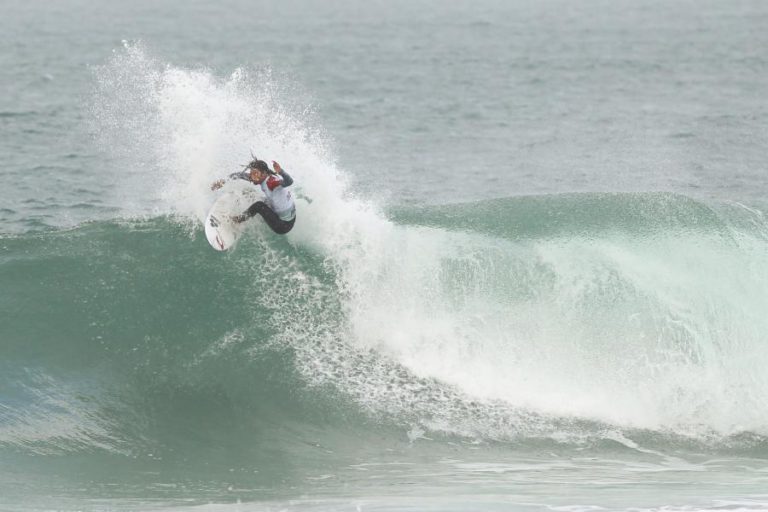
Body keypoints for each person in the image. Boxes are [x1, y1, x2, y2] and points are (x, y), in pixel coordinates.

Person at [210, 157, 296, 235]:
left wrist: (281, 171)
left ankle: (236, 221)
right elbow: (240, 175)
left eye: (255, 173)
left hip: (283, 225)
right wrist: (223, 181)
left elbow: (289, 182)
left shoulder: (272, 182)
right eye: (251, 173)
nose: (251, 177)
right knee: (250, 193)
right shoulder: (264, 177)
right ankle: (248, 214)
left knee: (259, 205)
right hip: (287, 216)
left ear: (263, 173)